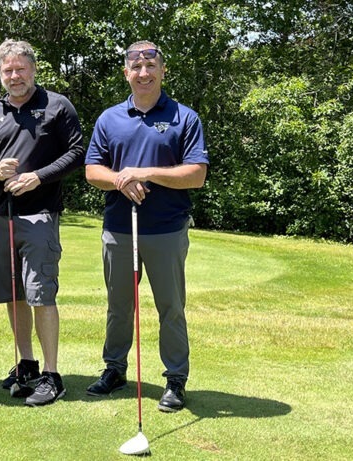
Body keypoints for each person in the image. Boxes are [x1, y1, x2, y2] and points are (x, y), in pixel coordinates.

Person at [84, 40, 208, 412]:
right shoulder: (109, 119)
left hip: (167, 230)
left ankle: (175, 379)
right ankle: (115, 369)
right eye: (135, 68)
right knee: (119, 306)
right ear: (126, 73)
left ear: (162, 70)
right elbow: (92, 170)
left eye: (150, 66)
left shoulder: (184, 117)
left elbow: (196, 174)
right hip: (120, 228)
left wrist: (145, 173)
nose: (143, 73)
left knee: (170, 307)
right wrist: (121, 179)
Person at [0, 39, 84, 406]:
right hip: (1, 215)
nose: (14, 76)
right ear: (0, 73)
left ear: (33, 69)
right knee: (13, 293)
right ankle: (26, 364)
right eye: (8, 70)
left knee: (40, 294)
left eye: (21, 69)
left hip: (40, 215)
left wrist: (39, 176)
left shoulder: (56, 106)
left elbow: (77, 152)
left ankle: (52, 375)